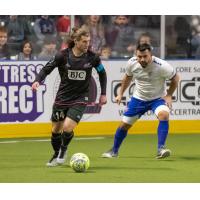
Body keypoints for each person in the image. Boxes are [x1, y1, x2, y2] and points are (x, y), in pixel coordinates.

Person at [32, 27, 107, 167]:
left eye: (88, 41)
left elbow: (102, 73)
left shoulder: (93, 57)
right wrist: (37, 80)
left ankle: (63, 151)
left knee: (67, 127)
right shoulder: (62, 56)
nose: (87, 44)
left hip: (81, 98)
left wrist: (103, 94)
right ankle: (56, 154)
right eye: (84, 42)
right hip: (62, 98)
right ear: (76, 41)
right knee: (55, 130)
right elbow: (46, 69)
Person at [102, 43, 179, 159]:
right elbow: (127, 78)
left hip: (158, 99)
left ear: (151, 55)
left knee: (164, 115)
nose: (142, 59)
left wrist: (169, 95)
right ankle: (114, 151)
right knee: (124, 126)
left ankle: (161, 149)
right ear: (136, 55)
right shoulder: (132, 63)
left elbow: (176, 78)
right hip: (139, 99)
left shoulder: (162, 65)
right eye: (139, 57)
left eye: (145, 56)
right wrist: (120, 94)